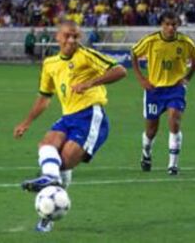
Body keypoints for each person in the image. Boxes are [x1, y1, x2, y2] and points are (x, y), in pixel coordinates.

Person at [13, 20, 127, 232]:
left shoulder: (86, 55)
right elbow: (44, 98)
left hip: (91, 115)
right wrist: (26, 122)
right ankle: (49, 206)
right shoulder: (50, 64)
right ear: (57, 37)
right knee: (46, 146)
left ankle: (48, 214)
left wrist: (90, 83)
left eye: (75, 36)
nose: (71, 40)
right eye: (67, 35)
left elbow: (120, 71)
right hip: (68, 117)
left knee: (63, 163)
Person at [131, 11, 195, 175]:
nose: (171, 28)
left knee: (174, 121)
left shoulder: (185, 42)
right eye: (167, 24)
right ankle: (146, 153)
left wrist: (187, 78)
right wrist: (141, 79)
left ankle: (173, 165)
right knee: (151, 131)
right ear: (162, 25)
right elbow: (134, 53)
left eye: (174, 24)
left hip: (175, 90)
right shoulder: (151, 40)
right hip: (154, 90)